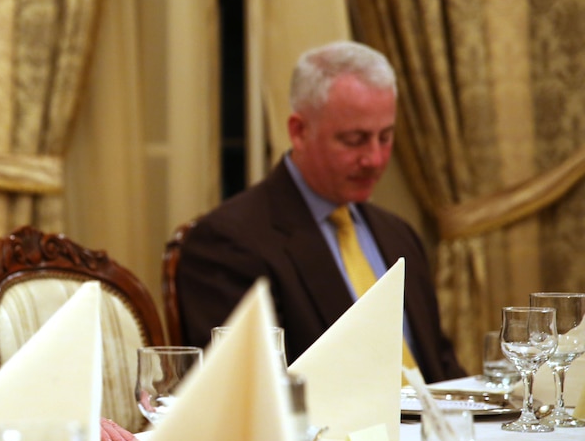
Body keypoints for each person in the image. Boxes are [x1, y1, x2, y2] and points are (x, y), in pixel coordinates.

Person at [175, 40, 465, 383]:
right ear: (299, 131)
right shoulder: (229, 243)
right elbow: (248, 393)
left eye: (385, 138)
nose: (374, 159)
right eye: (354, 140)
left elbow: (441, 367)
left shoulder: (398, 234)